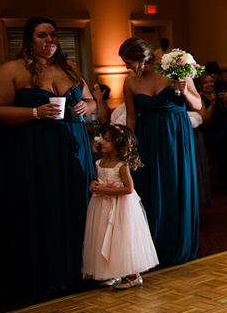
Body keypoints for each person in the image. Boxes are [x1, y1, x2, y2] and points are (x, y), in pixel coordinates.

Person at [0, 16, 96, 302]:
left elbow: (92, 102)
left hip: (72, 147)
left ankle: (77, 272)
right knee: (44, 206)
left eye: (53, 35)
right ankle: (44, 275)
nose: (50, 41)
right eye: (42, 36)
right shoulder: (11, 70)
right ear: (29, 40)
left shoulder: (70, 67)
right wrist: (34, 113)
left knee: (75, 204)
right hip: (34, 151)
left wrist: (84, 105)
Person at [119, 37, 200, 266]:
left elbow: (198, 105)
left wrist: (184, 91)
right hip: (147, 136)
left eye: (129, 63)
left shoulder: (175, 71)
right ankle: (151, 246)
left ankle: (176, 243)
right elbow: (132, 116)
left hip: (175, 135)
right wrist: (129, 144)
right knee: (151, 186)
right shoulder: (129, 82)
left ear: (142, 59)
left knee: (174, 185)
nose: (127, 68)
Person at [82, 124, 159, 289]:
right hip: (102, 206)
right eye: (103, 138)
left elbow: (129, 188)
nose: (102, 142)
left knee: (119, 238)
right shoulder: (99, 163)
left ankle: (133, 276)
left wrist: (105, 189)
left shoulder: (122, 165)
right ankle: (112, 273)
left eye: (107, 140)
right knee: (104, 237)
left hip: (120, 207)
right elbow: (94, 178)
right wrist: (93, 184)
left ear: (118, 144)